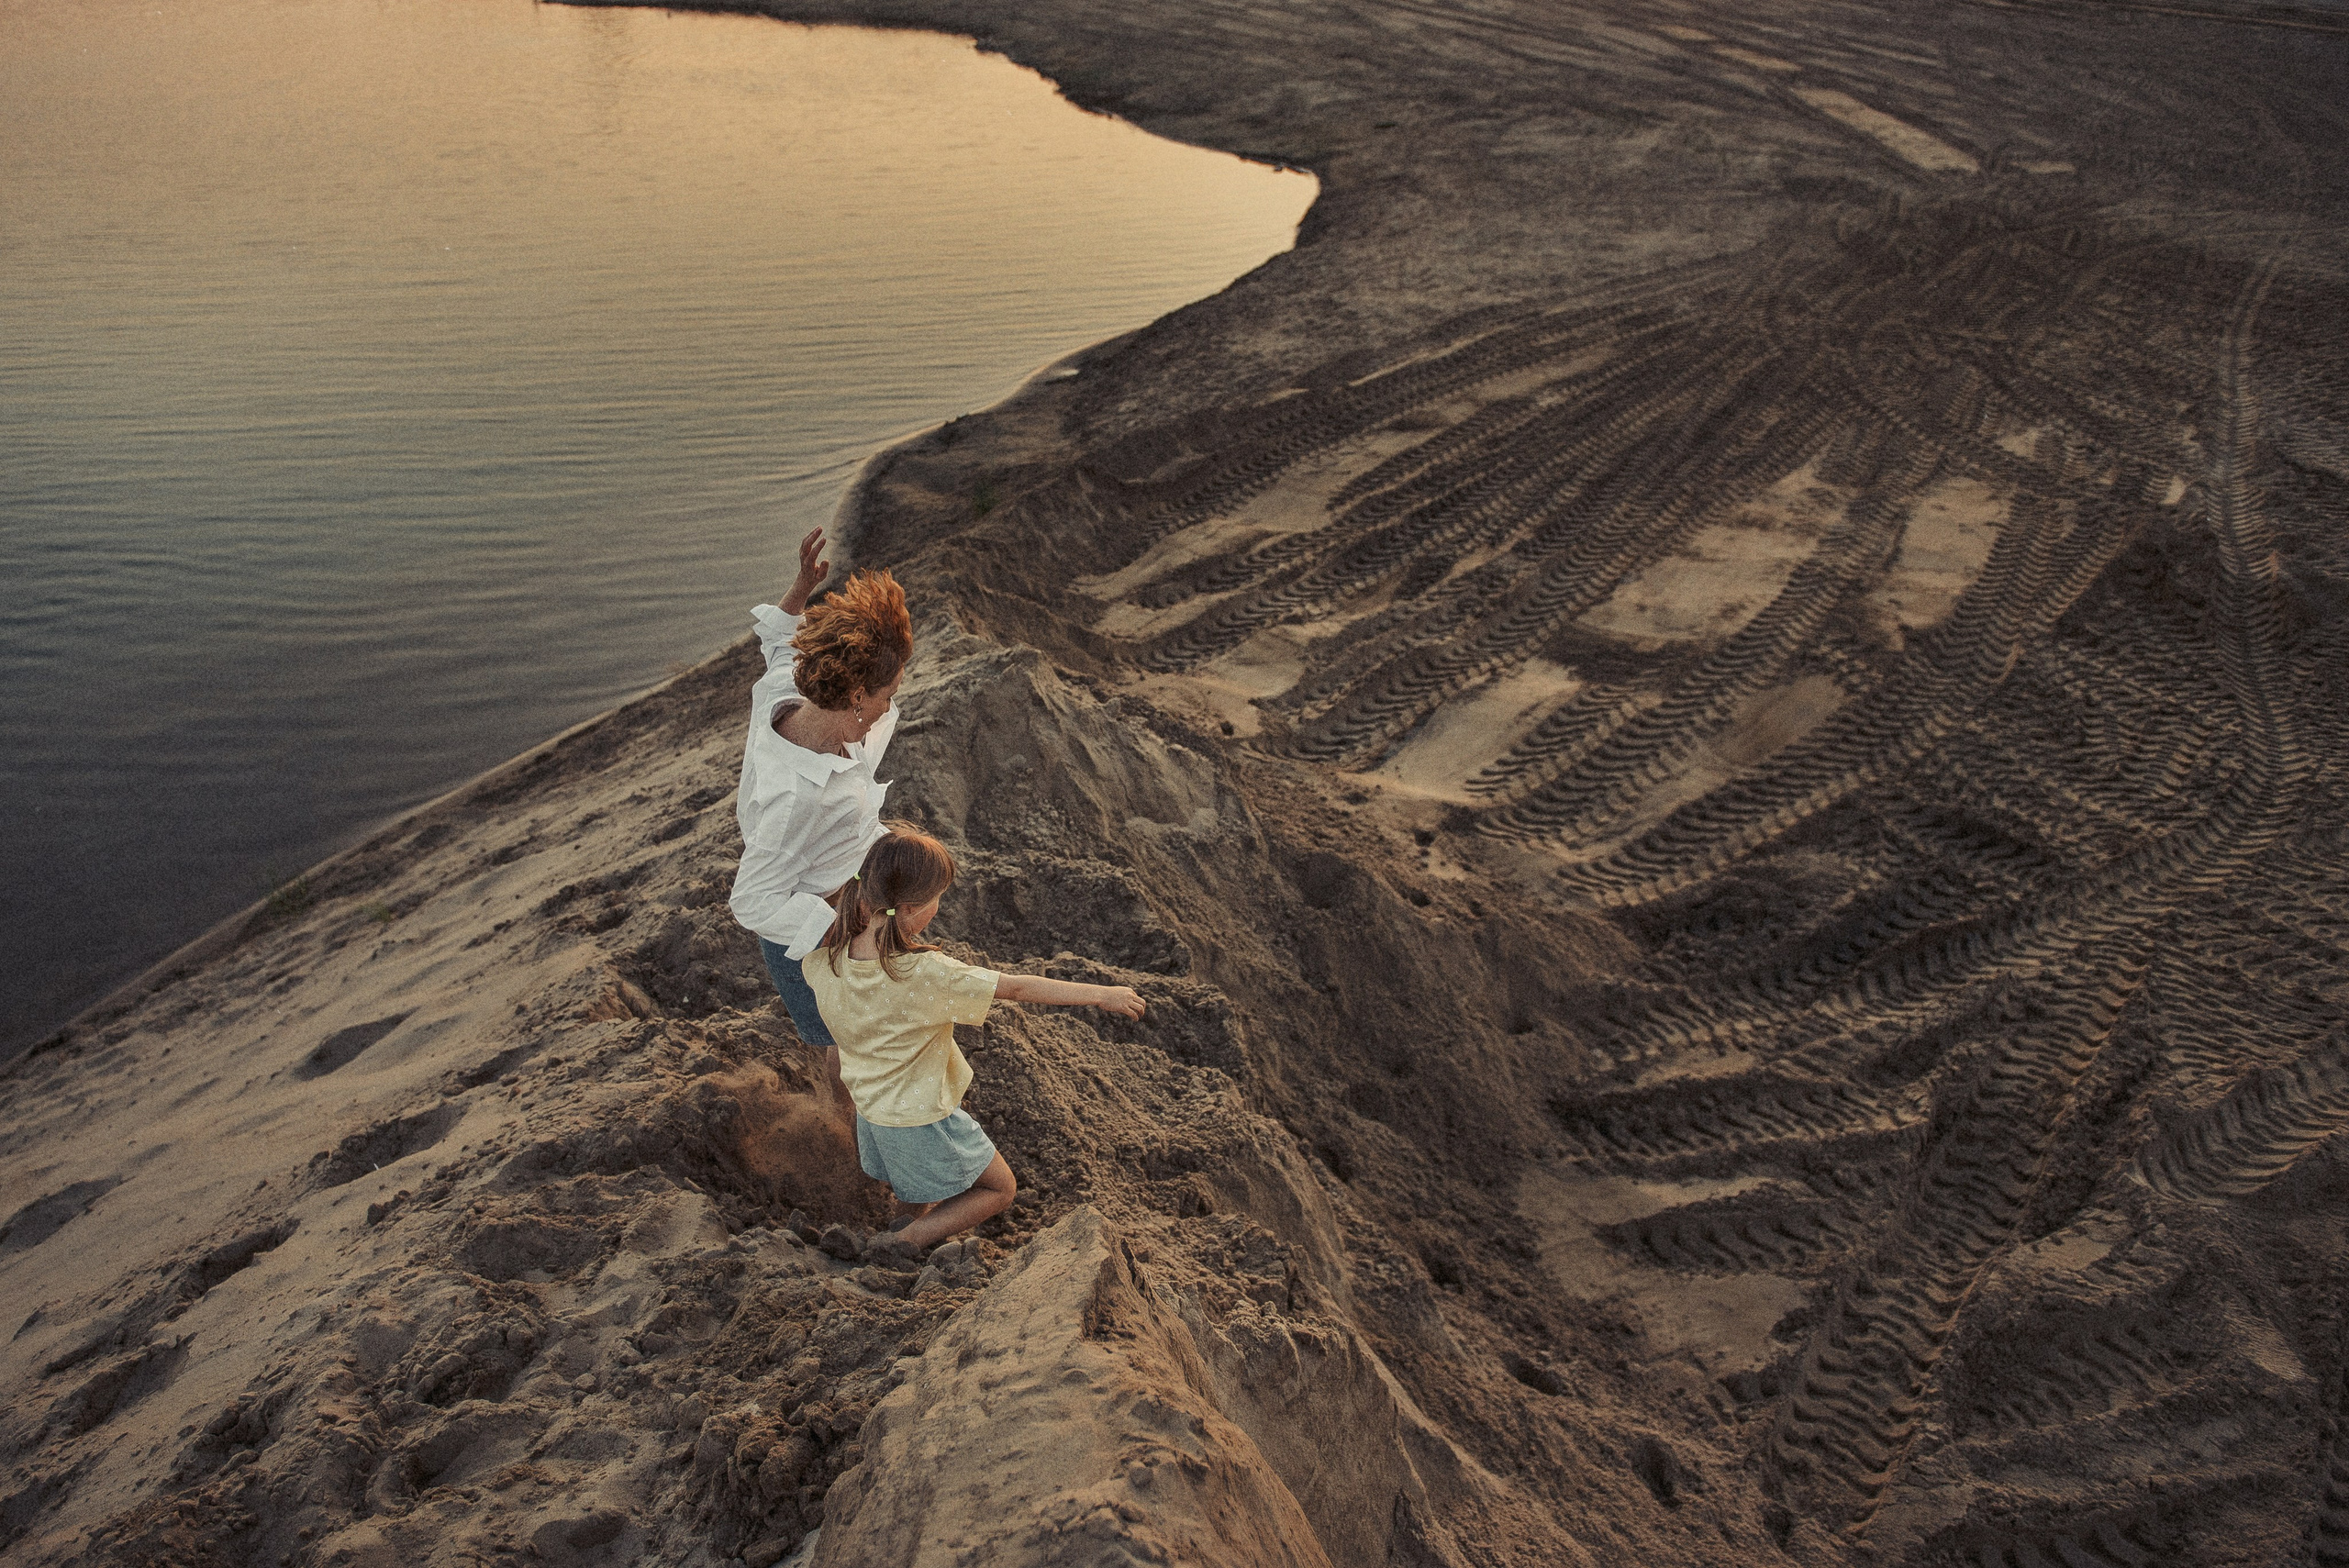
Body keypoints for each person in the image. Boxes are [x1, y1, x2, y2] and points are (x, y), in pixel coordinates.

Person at [806, 826, 1145, 1250]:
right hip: (920, 1117)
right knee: (999, 1189)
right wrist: (1101, 995)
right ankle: (904, 1243)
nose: (938, 908)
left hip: (873, 1115)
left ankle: (900, 1228)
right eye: (936, 899)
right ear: (910, 908)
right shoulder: (925, 975)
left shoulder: (827, 960)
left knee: (915, 1189)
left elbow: (834, 1044)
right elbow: (1017, 988)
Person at [729, 526, 910, 1126]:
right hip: (804, 931)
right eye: (886, 694)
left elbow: (779, 638)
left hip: (841, 879)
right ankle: (848, 1127)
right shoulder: (797, 800)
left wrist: (802, 587)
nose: (893, 703)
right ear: (856, 696)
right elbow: (751, 899)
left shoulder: (787, 688)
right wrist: (834, 923)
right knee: (848, 1039)